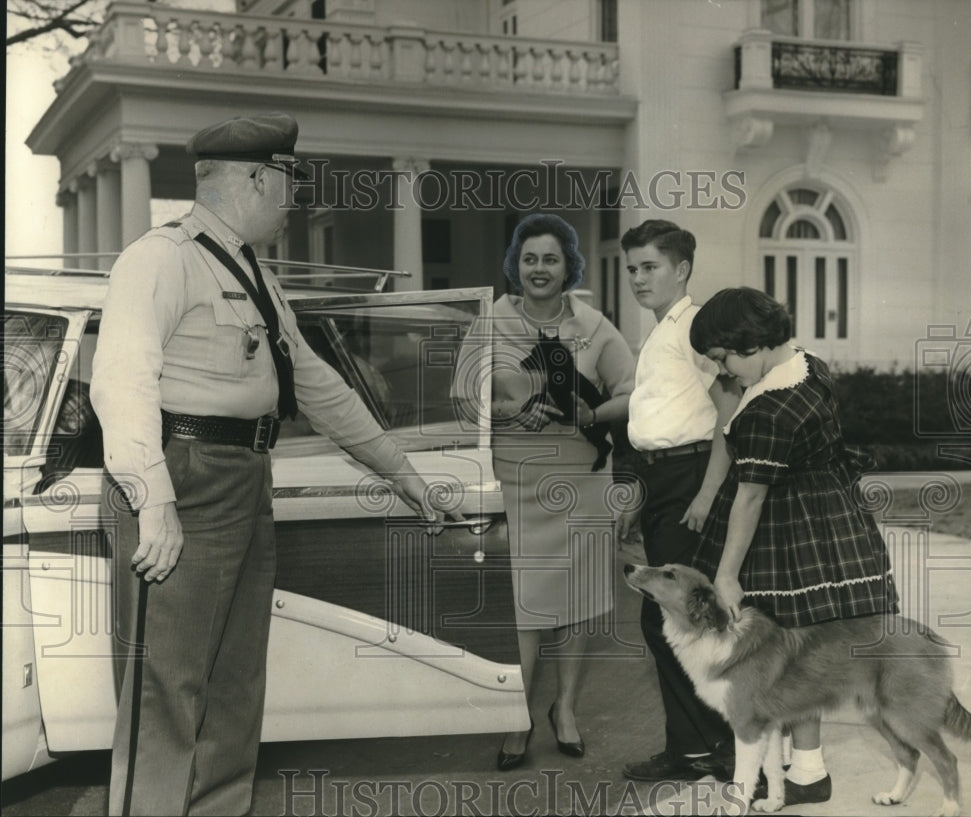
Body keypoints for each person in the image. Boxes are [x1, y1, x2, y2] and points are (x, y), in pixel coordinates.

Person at [90, 112, 448, 816]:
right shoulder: (160, 258)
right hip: (181, 474)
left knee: (234, 678)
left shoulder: (253, 271)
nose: (295, 202)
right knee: (166, 684)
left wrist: (402, 472)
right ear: (256, 178)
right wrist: (152, 497)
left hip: (246, 474)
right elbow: (120, 378)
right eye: (289, 184)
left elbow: (315, 384)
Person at [689, 286, 899, 805]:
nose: (724, 372)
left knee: (783, 647)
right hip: (824, 512)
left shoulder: (770, 410)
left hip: (788, 530)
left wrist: (726, 574)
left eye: (723, 358)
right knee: (794, 649)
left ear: (750, 344)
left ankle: (803, 770)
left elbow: (751, 495)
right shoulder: (808, 364)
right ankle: (798, 767)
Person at [488, 213, 635, 770]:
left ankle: (565, 710)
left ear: (568, 266)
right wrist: (508, 409)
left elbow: (633, 392)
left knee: (578, 604)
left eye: (551, 259)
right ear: (516, 265)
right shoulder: (491, 322)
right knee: (526, 607)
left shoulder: (596, 326)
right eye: (530, 259)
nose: (539, 269)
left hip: (582, 481)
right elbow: (458, 397)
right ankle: (517, 717)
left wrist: (593, 411)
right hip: (517, 481)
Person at [614, 220, 740, 782]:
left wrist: (708, 491)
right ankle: (695, 747)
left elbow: (732, 405)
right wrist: (640, 494)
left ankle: (711, 747)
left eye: (650, 267)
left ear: (681, 269)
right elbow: (653, 424)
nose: (639, 278)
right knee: (668, 620)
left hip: (691, 478)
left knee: (676, 617)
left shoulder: (692, 327)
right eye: (632, 268)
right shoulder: (663, 329)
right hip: (662, 479)